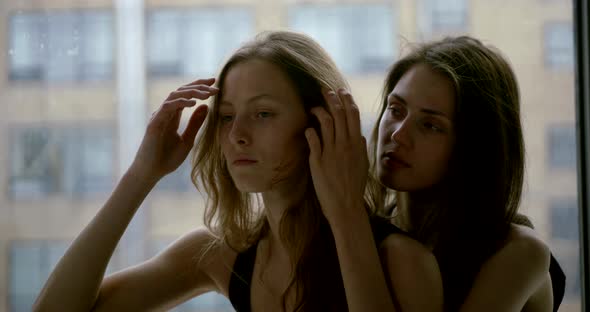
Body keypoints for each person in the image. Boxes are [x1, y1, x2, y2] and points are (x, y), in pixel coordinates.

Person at [32, 30, 443, 312]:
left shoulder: (400, 260)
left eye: (263, 114)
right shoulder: (219, 255)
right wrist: (142, 175)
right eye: (227, 117)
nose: (237, 136)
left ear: (321, 123)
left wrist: (346, 212)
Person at [361, 36, 566, 311]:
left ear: (474, 146)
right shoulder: (375, 231)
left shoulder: (519, 252)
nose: (398, 134)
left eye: (430, 125)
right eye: (396, 109)